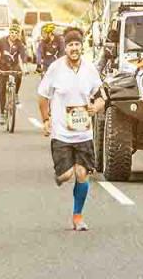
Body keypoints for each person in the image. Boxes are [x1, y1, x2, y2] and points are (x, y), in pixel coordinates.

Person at [37, 27, 104, 231]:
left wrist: (96, 107)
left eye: (77, 44)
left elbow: (101, 96)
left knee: (82, 173)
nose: (74, 48)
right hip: (61, 132)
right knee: (66, 175)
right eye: (70, 45)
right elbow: (42, 96)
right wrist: (46, 119)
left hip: (83, 132)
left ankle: (77, 216)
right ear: (65, 48)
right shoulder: (55, 69)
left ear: (81, 47)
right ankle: (62, 174)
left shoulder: (90, 69)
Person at [0, 23, 27, 125]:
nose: (14, 34)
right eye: (12, 32)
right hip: (3, 66)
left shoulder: (19, 43)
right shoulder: (1, 41)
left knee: (19, 74)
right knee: (2, 89)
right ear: (9, 32)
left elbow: (23, 55)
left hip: (14, 65)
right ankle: (2, 113)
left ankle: (15, 93)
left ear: (18, 34)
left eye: (16, 33)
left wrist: (24, 67)